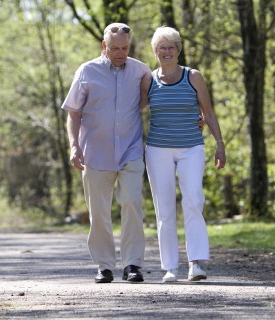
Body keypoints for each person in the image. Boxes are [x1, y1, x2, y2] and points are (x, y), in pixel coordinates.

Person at [61, 23, 151, 283]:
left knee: (132, 202)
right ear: (104, 46)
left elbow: (162, 96)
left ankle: (133, 264)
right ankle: (104, 266)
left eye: (125, 48)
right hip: (95, 153)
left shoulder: (141, 70)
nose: (120, 53)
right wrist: (74, 145)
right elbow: (74, 112)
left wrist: (197, 117)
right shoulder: (87, 71)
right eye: (115, 48)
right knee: (98, 211)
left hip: (130, 150)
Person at [141, 26, 226, 282]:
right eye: (161, 48)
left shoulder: (194, 77)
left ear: (179, 50)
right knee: (164, 209)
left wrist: (220, 143)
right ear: (155, 52)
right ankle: (170, 268)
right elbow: (133, 110)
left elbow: (208, 113)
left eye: (171, 47)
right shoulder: (149, 80)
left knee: (193, 201)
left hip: (191, 148)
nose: (166, 52)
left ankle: (196, 263)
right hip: (157, 150)